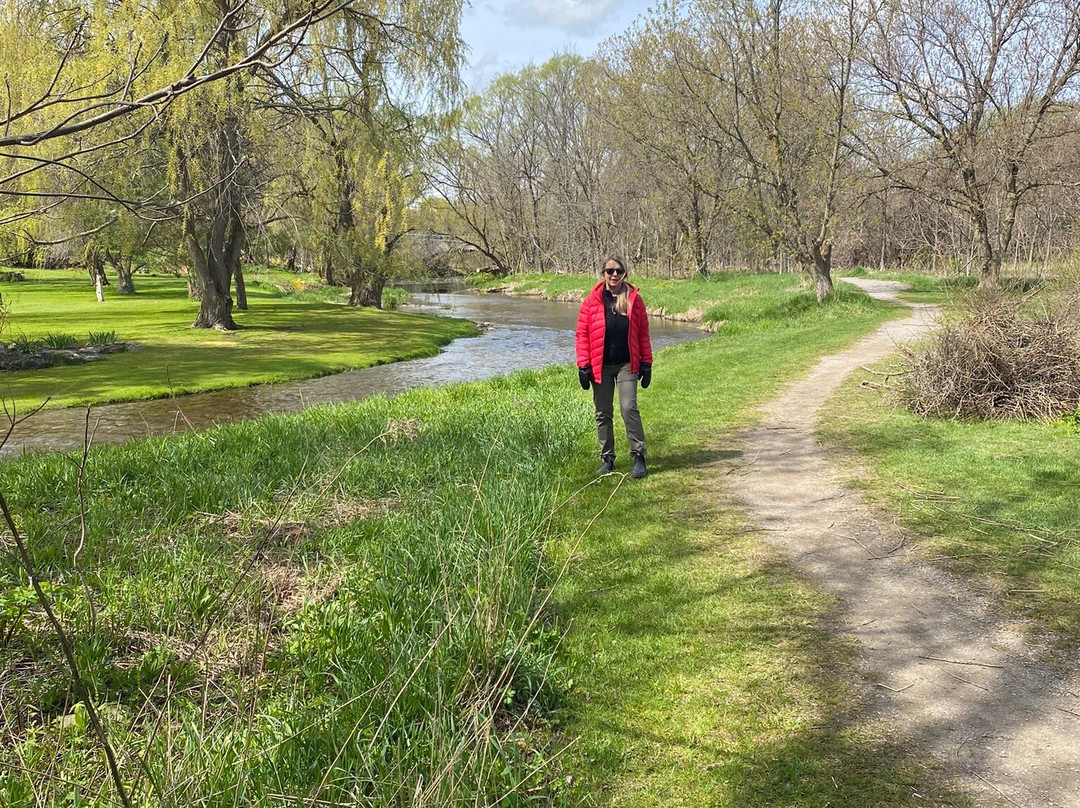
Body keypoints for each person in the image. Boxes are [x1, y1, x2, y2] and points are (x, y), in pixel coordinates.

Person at [575, 255, 653, 478]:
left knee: (629, 408)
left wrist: (647, 363)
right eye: (610, 271)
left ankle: (638, 456)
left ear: (625, 273)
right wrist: (583, 365)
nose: (614, 275)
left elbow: (643, 335)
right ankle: (607, 458)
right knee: (603, 413)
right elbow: (582, 335)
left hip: (626, 364)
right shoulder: (591, 302)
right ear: (603, 274)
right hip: (600, 366)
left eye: (619, 271)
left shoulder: (634, 300)